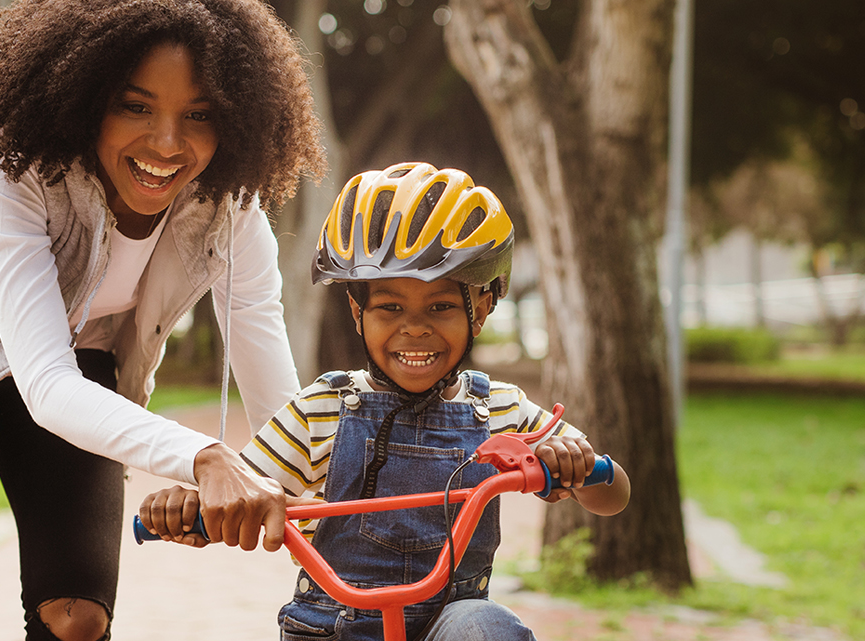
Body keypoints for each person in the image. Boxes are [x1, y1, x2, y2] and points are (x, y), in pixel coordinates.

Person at [0, 1, 326, 639]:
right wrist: (203, 458)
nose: (167, 144)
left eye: (198, 115)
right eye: (134, 106)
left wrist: (314, 489)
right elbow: (46, 384)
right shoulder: (7, 155)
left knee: (77, 618)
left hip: (69, 353)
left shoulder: (228, 203)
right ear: (86, 95)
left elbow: (261, 347)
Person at [138, 162, 632, 641]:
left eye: (439, 307)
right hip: (332, 627)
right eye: (390, 307)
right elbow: (242, 493)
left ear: (479, 310)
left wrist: (577, 465)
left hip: (452, 625)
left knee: (487, 626)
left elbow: (613, 495)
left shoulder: (501, 409)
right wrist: (189, 510)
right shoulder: (322, 410)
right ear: (357, 310)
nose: (414, 327)